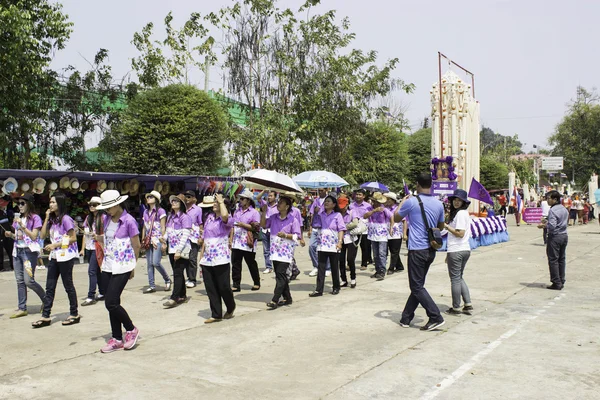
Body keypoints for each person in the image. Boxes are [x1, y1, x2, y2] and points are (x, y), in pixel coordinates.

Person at [393, 172, 446, 331]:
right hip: (431, 248)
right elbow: (441, 226)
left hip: (416, 249)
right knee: (418, 285)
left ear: (417, 184)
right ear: (431, 185)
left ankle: (435, 316)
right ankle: (406, 318)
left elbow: (396, 218)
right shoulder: (438, 204)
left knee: (416, 286)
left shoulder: (412, 202)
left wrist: (402, 203)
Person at [95, 190, 141, 352]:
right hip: (108, 265)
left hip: (123, 265)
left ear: (117, 204)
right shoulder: (106, 219)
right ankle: (116, 338)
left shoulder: (129, 221)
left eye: (109, 207)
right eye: (105, 207)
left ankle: (131, 329)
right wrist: (94, 237)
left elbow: (137, 245)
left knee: (111, 302)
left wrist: (133, 266)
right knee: (111, 304)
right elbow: (107, 239)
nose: (107, 210)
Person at [33, 193, 80, 328]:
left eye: (53, 202)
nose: (51, 205)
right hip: (55, 256)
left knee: (68, 285)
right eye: (50, 202)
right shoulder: (53, 220)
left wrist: (55, 245)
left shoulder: (66, 219)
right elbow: (42, 235)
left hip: (66, 256)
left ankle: (74, 313)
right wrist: (47, 217)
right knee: (50, 286)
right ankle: (46, 316)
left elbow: (73, 238)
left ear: (60, 203)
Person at [5, 193, 45, 318]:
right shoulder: (18, 218)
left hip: (28, 252)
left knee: (29, 281)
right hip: (17, 251)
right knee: (19, 281)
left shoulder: (35, 218)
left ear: (29, 204)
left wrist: (22, 227)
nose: (20, 206)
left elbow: (33, 236)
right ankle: (22, 307)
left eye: (22, 203)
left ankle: (46, 299)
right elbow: (19, 237)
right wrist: (10, 234)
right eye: (18, 203)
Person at [198, 194, 236, 323]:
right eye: (214, 202)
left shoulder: (227, 219)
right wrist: (201, 256)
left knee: (224, 286)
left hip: (221, 258)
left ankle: (230, 307)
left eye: (217, 202)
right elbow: (205, 239)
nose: (215, 204)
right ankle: (216, 314)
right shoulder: (209, 218)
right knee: (211, 287)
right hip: (208, 259)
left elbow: (225, 216)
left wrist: (221, 202)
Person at [261, 196, 301, 309]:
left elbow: (297, 236)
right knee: (280, 275)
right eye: (279, 202)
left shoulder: (293, 220)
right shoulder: (273, 217)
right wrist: (263, 212)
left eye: (282, 203)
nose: (278, 204)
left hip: (286, 251)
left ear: (287, 206)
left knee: (280, 274)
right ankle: (288, 298)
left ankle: (275, 299)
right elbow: (263, 225)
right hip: (275, 250)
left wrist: (286, 235)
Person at [309, 195, 346, 297]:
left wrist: (339, 242)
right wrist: (316, 212)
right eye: (325, 201)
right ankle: (318, 290)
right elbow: (315, 224)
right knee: (321, 267)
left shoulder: (337, 215)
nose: (326, 203)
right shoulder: (320, 214)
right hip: (322, 244)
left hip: (333, 244)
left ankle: (336, 287)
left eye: (329, 201)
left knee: (334, 267)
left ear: (334, 204)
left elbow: (341, 229)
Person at [444, 189, 473, 315]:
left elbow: (459, 233)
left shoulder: (461, 214)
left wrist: (446, 226)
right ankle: (468, 304)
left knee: (455, 279)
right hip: (462, 249)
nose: (456, 202)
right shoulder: (462, 213)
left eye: (459, 200)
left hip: (457, 249)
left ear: (463, 202)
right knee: (459, 277)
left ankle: (456, 307)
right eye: (454, 200)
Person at [163, 195, 192, 308]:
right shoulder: (170, 217)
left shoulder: (185, 217)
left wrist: (179, 250)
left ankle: (174, 297)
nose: (173, 202)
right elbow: (168, 232)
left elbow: (185, 235)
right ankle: (182, 295)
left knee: (177, 273)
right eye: (172, 201)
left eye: (176, 201)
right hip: (172, 249)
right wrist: (163, 239)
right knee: (178, 272)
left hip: (182, 249)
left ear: (181, 204)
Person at [230, 189, 261, 292]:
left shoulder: (254, 212)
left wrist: (243, 225)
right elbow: (232, 226)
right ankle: (236, 284)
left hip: (247, 240)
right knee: (235, 263)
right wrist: (230, 239)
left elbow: (256, 228)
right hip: (237, 240)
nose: (240, 200)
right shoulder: (237, 211)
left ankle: (256, 282)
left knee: (250, 262)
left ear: (248, 200)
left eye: (242, 199)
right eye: (240, 198)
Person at [141, 191, 171, 293]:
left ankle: (167, 279)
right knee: (149, 264)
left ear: (156, 199)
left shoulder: (160, 211)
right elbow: (144, 226)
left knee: (156, 262)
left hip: (157, 238)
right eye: (147, 197)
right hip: (148, 239)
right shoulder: (145, 212)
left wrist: (163, 241)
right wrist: (143, 238)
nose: (148, 198)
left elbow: (163, 226)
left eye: (151, 197)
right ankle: (152, 285)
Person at [538, 190, 568, 290]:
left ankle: (556, 282)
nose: (547, 201)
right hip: (564, 235)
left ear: (555, 199)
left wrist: (543, 225)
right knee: (561, 259)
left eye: (549, 198)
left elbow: (552, 226)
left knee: (553, 259)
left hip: (555, 237)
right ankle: (561, 279)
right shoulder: (563, 209)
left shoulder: (552, 210)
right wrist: (547, 221)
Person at [80, 196, 106, 306]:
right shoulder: (88, 218)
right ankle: (103, 292)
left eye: (94, 205)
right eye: (90, 204)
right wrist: (82, 249)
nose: (92, 206)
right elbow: (85, 235)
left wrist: (98, 236)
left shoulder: (104, 217)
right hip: (90, 247)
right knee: (96, 271)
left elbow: (108, 233)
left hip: (99, 246)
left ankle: (91, 296)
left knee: (92, 271)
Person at [363, 193, 392, 280]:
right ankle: (377, 270)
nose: (378, 204)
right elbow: (365, 216)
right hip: (373, 233)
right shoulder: (369, 208)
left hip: (382, 234)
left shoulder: (384, 209)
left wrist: (391, 227)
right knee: (375, 254)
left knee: (382, 253)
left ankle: (382, 271)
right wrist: (374, 211)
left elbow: (391, 217)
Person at [308, 188, 330, 277]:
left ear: (326, 190)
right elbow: (311, 214)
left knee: (325, 248)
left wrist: (321, 210)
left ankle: (328, 268)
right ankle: (316, 266)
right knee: (311, 246)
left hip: (325, 227)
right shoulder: (316, 201)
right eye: (319, 190)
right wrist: (310, 228)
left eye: (322, 190)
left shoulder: (329, 200)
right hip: (315, 227)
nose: (320, 192)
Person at [349, 189, 373, 270]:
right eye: (357, 194)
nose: (358, 196)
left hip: (364, 228)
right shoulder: (351, 205)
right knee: (352, 247)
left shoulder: (368, 206)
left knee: (364, 247)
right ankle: (350, 264)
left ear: (364, 196)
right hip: (354, 228)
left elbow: (370, 216)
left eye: (360, 195)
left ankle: (364, 264)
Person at [183, 190, 203, 288]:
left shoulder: (198, 209)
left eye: (189, 196)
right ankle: (188, 277)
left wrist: (200, 236)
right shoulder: (182, 208)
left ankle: (192, 279)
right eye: (186, 196)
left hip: (193, 236)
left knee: (192, 258)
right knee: (185, 258)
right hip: (183, 235)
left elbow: (200, 223)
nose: (187, 198)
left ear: (193, 198)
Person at [338, 195, 358, 288]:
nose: (342, 209)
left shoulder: (352, 212)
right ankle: (343, 279)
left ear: (347, 205)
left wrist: (344, 227)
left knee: (350, 259)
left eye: (343, 206)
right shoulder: (337, 213)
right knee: (341, 260)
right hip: (340, 239)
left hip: (351, 239)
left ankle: (353, 278)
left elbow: (355, 223)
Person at [384, 192, 405, 275]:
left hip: (397, 233)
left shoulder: (398, 209)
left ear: (393, 200)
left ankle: (391, 268)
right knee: (392, 250)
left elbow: (404, 221)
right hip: (387, 232)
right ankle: (399, 266)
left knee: (394, 251)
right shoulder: (386, 209)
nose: (387, 201)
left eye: (388, 199)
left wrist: (404, 233)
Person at [258, 190, 278, 274]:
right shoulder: (265, 205)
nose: (269, 197)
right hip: (265, 229)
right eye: (268, 196)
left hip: (274, 230)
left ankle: (277, 266)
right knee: (266, 250)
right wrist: (263, 191)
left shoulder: (278, 206)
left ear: (275, 197)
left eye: (271, 196)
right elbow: (258, 198)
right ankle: (268, 267)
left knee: (275, 248)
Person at [1, 200, 15, 271]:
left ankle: (13, 265)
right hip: (1, 236)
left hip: (8, 235)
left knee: (11, 251)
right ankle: (1, 267)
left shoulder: (6, 213)